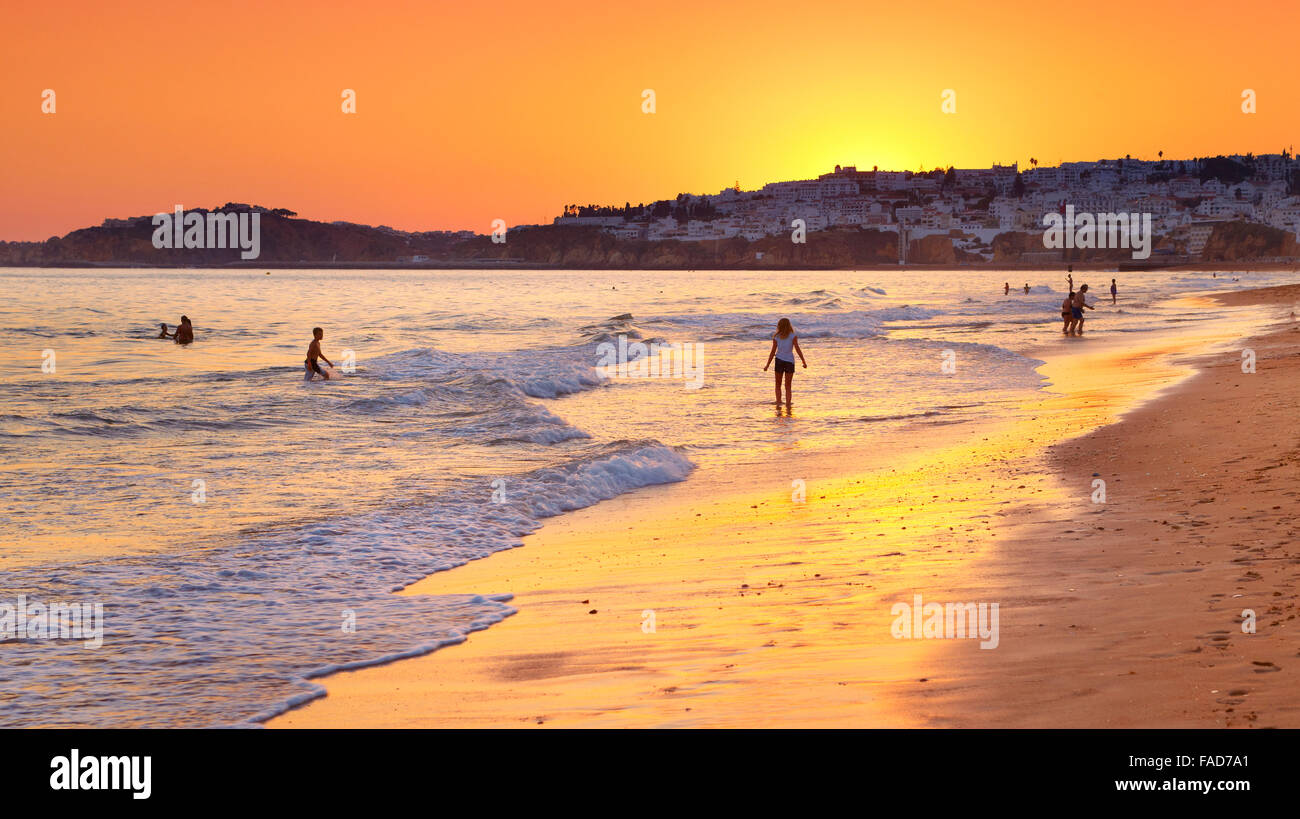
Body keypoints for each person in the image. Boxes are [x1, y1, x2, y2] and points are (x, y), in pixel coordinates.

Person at [763, 317, 806, 406]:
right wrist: (803, 361)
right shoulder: (793, 336)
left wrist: (767, 365)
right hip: (790, 362)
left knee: (778, 384)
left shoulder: (776, 337)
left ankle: (779, 402)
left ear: (779, 326)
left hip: (779, 361)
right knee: (788, 386)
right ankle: (788, 403)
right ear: (789, 325)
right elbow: (797, 349)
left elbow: (772, 352)